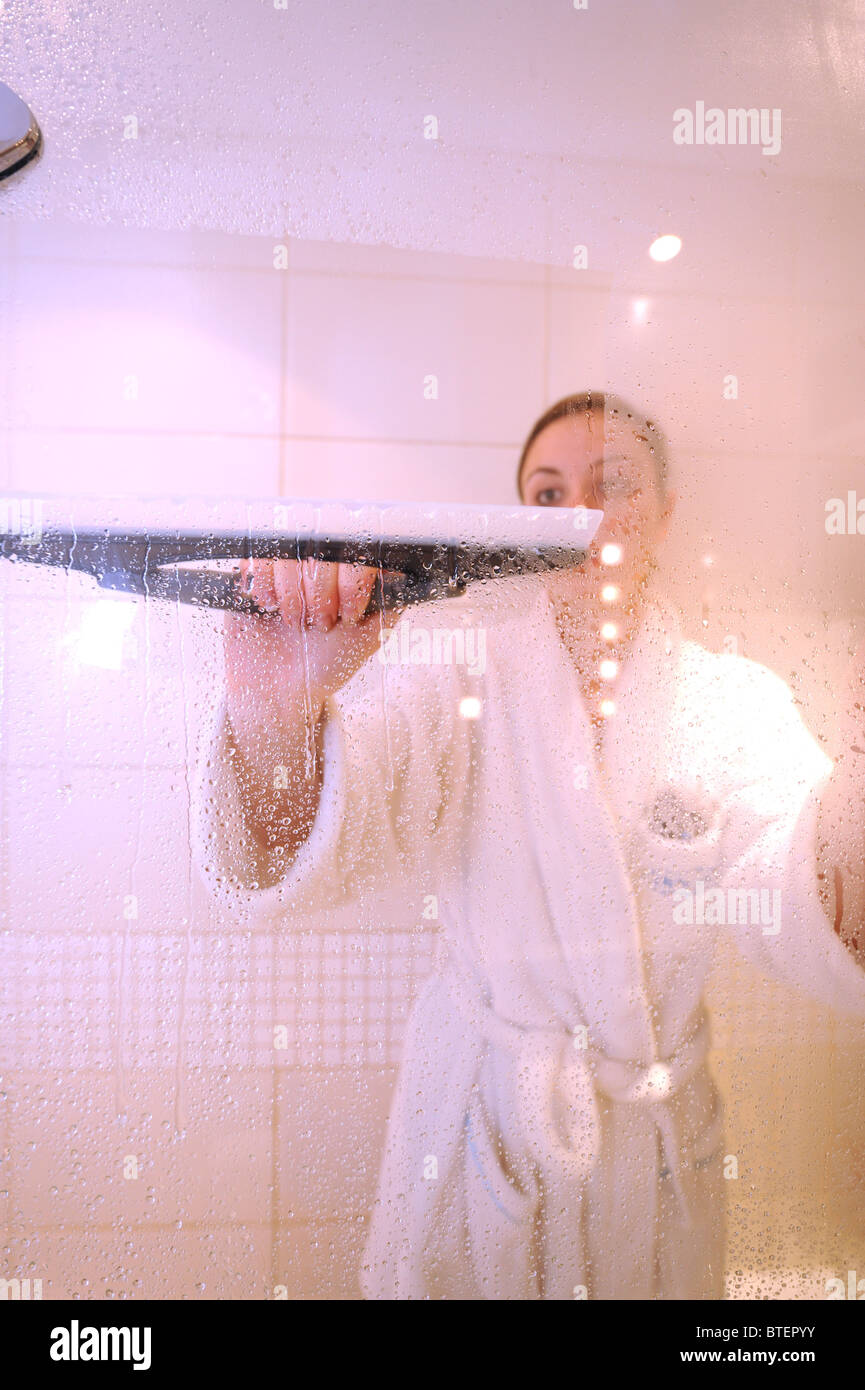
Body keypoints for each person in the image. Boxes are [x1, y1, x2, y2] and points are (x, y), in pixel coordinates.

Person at [191, 391, 865, 1299]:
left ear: (665, 513)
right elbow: (293, 854)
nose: (580, 514)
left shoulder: (730, 702)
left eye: (611, 483)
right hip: (484, 1125)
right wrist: (276, 714)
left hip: (649, 1155)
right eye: (547, 495)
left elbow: (799, 890)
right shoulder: (457, 679)